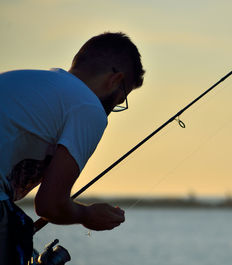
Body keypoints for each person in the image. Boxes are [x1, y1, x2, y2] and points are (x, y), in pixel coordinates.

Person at [0, 32, 145, 264]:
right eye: (121, 99)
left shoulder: (25, 81)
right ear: (116, 80)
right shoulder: (88, 107)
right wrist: (87, 215)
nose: (115, 106)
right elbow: (49, 204)